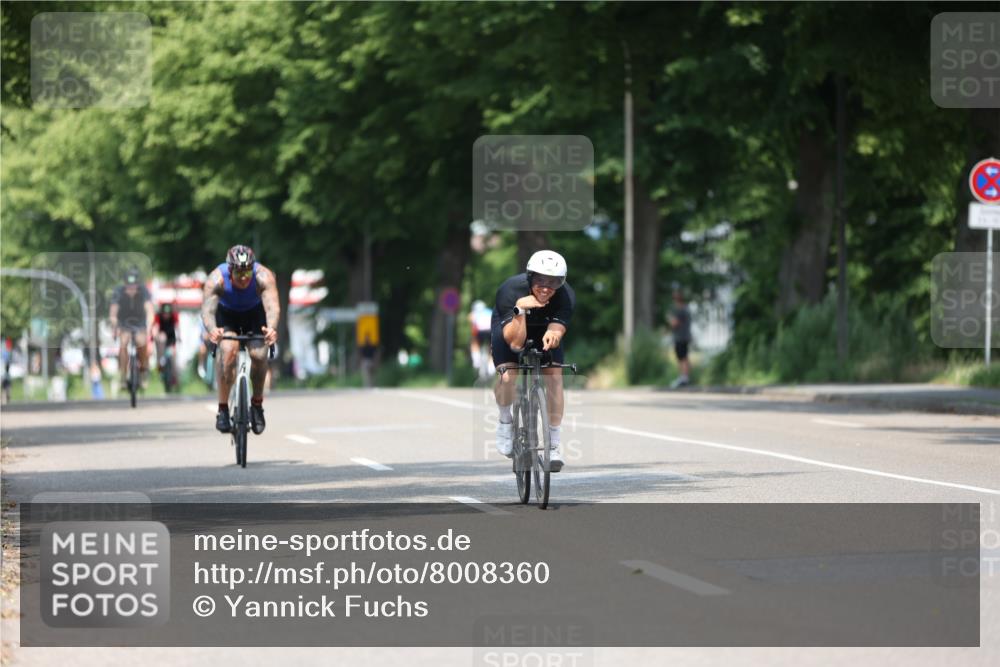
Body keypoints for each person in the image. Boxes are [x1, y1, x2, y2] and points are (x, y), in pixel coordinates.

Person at [491, 250, 574, 472]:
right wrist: (521, 309)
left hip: (542, 331)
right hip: (512, 329)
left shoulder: (565, 295)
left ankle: (554, 444)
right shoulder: (510, 290)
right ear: (530, 277)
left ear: (561, 282)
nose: (546, 287)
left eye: (553, 282)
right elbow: (514, 344)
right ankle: (505, 421)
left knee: (555, 376)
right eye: (540, 280)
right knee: (508, 376)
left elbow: (557, 327)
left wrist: (554, 334)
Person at [201, 245, 280, 434]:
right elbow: (208, 311)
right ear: (230, 270)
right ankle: (222, 409)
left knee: (260, 354)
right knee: (228, 351)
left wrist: (271, 329)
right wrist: (212, 330)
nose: (244, 277)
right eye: (238, 272)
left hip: (255, 314)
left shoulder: (263, 277)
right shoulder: (216, 280)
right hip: (227, 315)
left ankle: (257, 405)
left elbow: (272, 308)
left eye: (247, 272)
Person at [109, 269, 154, 390]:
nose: (132, 288)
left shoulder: (144, 291)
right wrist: (115, 326)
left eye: (134, 285)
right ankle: (123, 376)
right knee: (123, 345)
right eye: (129, 285)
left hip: (140, 323)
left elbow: (149, 310)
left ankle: (144, 370)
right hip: (124, 323)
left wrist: (150, 326)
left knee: (142, 343)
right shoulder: (119, 292)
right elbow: (113, 314)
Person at [152, 301, 180, 391]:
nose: (166, 315)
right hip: (161, 340)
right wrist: (155, 336)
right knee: (162, 339)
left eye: (168, 313)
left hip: (171, 340)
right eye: (164, 313)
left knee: (173, 356)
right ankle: (160, 363)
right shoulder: (158, 317)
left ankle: (174, 377)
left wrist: (179, 337)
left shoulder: (174, 316)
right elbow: (155, 328)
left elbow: (177, 327)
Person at [668, 289, 692, 388]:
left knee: (681, 357)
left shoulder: (679, 310)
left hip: (680, 337)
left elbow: (675, 323)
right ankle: (685, 377)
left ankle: (683, 377)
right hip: (685, 336)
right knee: (685, 356)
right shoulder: (686, 308)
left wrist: (669, 318)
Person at [468, 299, 493, 377]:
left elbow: (471, 320)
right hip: (490, 330)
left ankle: (476, 360)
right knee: (491, 346)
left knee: (474, 341)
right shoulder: (489, 311)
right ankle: (491, 366)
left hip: (480, 331)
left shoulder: (474, 313)